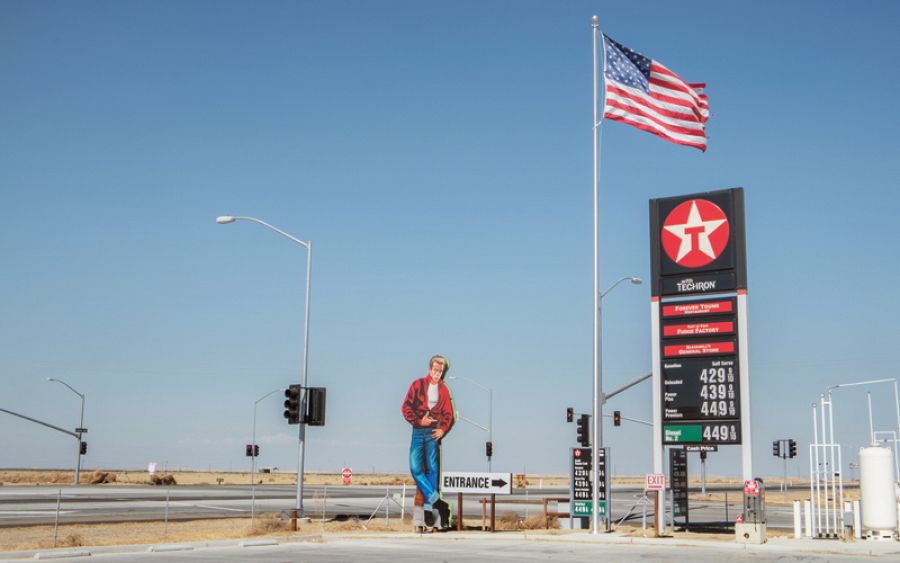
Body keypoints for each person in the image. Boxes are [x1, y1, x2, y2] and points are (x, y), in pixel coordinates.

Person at [401, 354, 455, 528]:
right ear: (430, 369)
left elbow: (449, 414)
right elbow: (406, 407)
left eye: (441, 371)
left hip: (432, 433)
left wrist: (442, 429)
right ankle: (440, 504)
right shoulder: (417, 385)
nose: (438, 373)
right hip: (418, 431)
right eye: (436, 370)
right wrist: (419, 421)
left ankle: (428, 508)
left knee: (432, 469)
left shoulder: (444, 390)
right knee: (415, 468)